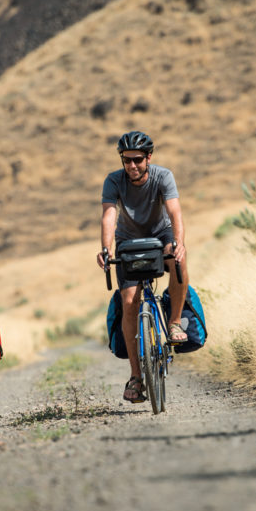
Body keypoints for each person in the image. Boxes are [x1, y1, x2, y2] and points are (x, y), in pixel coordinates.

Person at [96, 130, 189, 403]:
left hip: (161, 235)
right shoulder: (114, 180)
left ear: (148, 157)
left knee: (180, 259)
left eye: (137, 159)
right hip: (129, 241)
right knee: (129, 302)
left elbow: (175, 212)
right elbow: (109, 216)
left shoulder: (163, 176)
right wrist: (105, 248)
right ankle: (136, 376)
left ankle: (173, 323)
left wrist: (179, 242)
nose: (132, 166)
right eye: (127, 160)